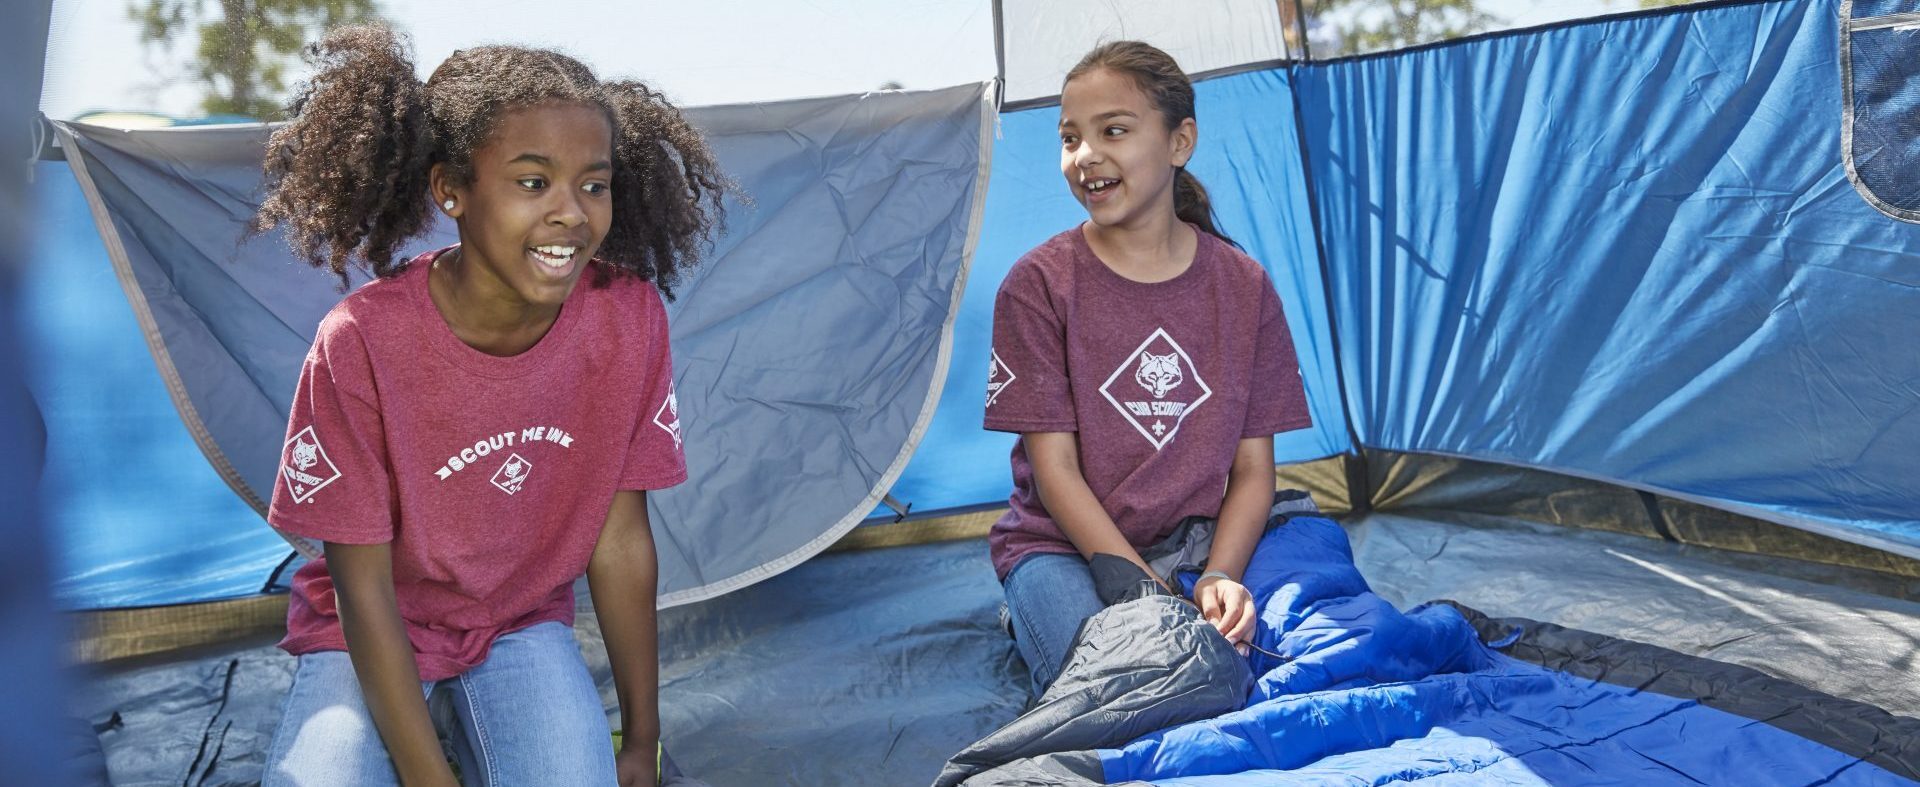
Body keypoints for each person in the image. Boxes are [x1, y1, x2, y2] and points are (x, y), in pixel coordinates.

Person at [252, 24, 724, 787]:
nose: (572, 212)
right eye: (533, 182)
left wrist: (642, 738)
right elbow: (362, 588)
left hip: (517, 621)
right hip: (369, 630)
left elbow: (619, 542)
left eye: (594, 184)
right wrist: (428, 776)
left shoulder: (628, 319)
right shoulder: (361, 341)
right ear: (451, 190)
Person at [983, 40, 1313, 697]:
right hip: (1063, 547)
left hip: (1199, 540)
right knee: (1126, 686)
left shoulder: (1244, 287)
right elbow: (1055, 471)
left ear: (1179, 142)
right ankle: (1030, 613)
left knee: (1302, 652)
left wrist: (1220, 576)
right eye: (1070, 137)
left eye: (1113, 130)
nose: (1085, 155)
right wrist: (1142, 594)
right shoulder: (1037, 285)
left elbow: (1254, 472)